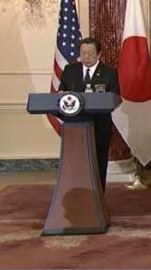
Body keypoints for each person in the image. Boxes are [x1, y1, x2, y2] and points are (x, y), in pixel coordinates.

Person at [59, 37, 120, 192]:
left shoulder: (109, 73)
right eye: (83, 53)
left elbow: (115, 98)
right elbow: (61, 94)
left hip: (100, 127)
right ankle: (76, 195)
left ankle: (98, 196)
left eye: (90, 53)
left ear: (99, 54)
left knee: (98, 163)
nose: (85, 57)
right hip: (74, 127)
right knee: (76, 163)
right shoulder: (70, 71)